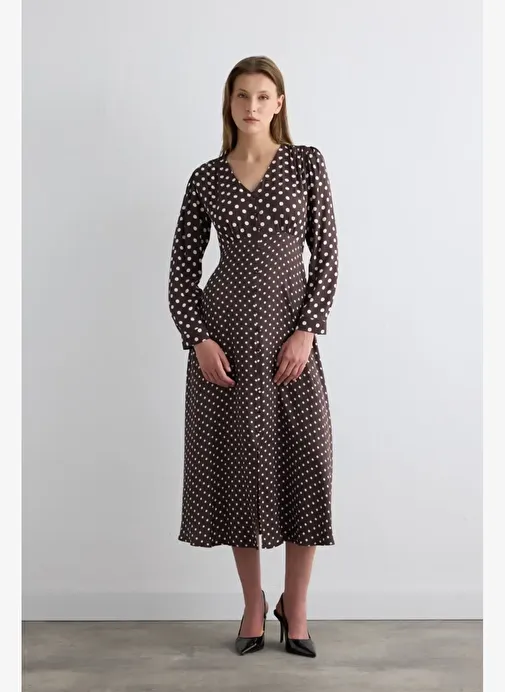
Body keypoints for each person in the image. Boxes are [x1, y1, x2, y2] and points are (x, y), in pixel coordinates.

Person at [168, 55, 339, 658]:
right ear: (229, 103)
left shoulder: (306, 163)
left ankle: (298, 607)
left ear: (279, 103)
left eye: (263, 96)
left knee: (306, 463)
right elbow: (181, 272)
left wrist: (307, 331)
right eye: (242, 95)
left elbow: (328, 255)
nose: (252, 106)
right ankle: (251, 605)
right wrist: (199, 338)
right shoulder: (206, 178)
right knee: (240, 471)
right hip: (228, 346)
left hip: (290, 343)